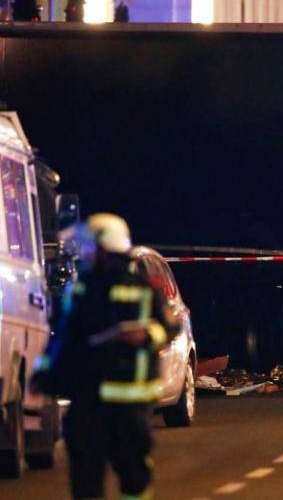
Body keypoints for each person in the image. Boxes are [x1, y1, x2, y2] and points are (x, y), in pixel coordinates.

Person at [32, 214, 177, 500]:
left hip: (130, 402)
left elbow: (170, 326)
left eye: (89, 248)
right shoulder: (80, 291)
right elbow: (62, 338)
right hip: (88, 400)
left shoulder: (145, 289)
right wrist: (44, 374)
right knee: (86, 478)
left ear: (105, 249)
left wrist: (146, 335)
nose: (84, 255)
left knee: (134, 475)